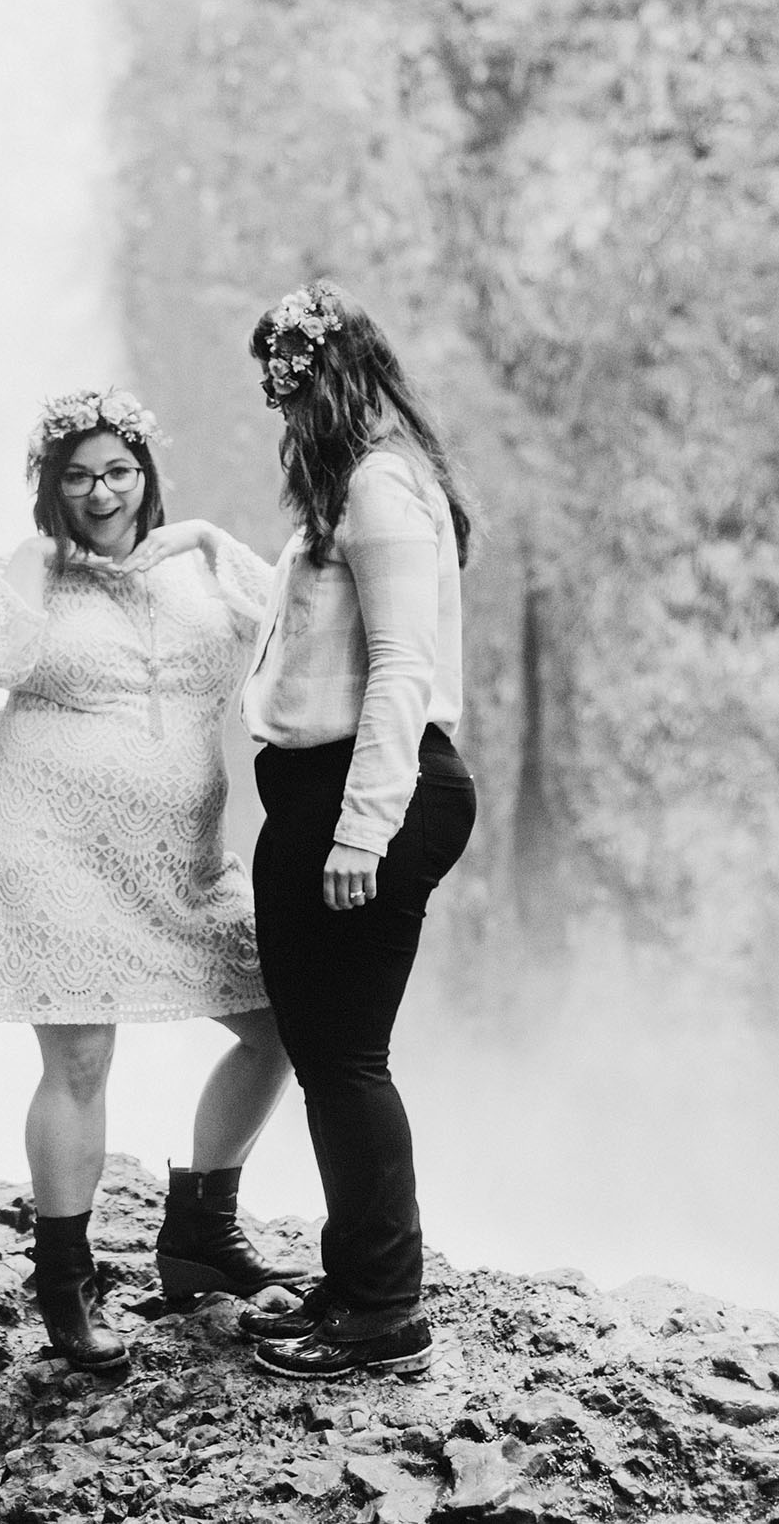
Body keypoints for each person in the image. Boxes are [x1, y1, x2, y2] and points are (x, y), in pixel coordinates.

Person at [0, 388, 300, 1372]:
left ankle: (197, 1233)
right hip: (46, 843)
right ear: (49, 487)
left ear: (147, 472)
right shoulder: (24, 576)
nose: (99, 491)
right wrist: (36, 554)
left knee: (282, 1019)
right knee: (80, 1060)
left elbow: (299, 628)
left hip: (180, 859)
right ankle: (65, 1287)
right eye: (75, 474)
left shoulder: (205, 559)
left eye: (118, 469)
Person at [236, 282, 477, 1382]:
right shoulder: (352, 490)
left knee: (344, 1059)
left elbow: (401, 672)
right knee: (328, 1053)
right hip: (321, 786)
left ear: (323, 385)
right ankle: (357, 1279)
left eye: (287, 391)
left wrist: (358, 834)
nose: (280, 415)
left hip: (366, 791)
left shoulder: (379, 488)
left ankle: (382, 1310)